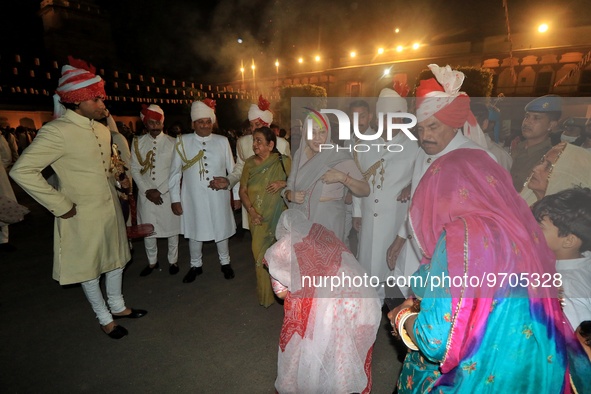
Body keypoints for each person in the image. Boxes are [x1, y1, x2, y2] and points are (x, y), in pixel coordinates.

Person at [387, 149, 590, 393]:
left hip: (471, 379)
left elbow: (435, 340)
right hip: (526, 376)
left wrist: (403, 316)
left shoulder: (459, 237)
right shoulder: (521, 232)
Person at [9, 57, 146, 339]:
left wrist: (119, 178)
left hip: (109, 208)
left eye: (100, 98)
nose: (101, 104)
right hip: (79, 212)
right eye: (95, 99)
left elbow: (105, 165)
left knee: (118, 259)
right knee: (90, 268)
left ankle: (118, 306)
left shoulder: (101, 128)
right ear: (77, 100)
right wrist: (60, 205)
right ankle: (104, 317)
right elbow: (22, 170)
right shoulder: (56, 131)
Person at [387, 64, 494, 298]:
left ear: (453, 122)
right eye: (421, 129)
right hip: (414, 254)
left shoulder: (477, 160)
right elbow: (416, 203)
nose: (425, 136)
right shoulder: (423, 151)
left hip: (450, 266)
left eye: (433, 127)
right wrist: (399, 238)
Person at [263, 209, 381, 394]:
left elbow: (281, 294)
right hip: (358, 294)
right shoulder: (322, 234)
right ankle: (345, 386)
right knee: (344, 348)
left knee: (308, 349)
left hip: (327, 304)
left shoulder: (279, 250)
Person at [351, 89, 418, 304]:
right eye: (386, 117)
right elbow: (357, 179)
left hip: (396, 219)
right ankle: (368, 311)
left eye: (397, 116)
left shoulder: (414, 146)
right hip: (369, 216)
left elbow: (422, 177)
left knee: (391, 269)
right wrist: (357, 212)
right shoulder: (364, 143)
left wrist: (410, 184)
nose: (392, 121)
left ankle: (393, 311)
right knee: (367, 267)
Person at [169, 99, 236, 283]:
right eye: (201, 122)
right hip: (193, 197)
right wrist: (175, 199)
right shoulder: (182, 142)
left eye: (208, 121)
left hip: (218, 196)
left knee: (221, 228)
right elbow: (174, 173)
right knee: (195, 230)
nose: (205, 125)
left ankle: (225, 262)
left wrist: (236, 195)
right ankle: (195, 265)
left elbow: (233, 170)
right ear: (193, 124)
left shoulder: (222, 141)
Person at [283, 111, 370, 243]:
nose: (317, 138)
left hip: (329, 224)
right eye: (312, 132)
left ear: (328, 133)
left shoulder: (339, 156)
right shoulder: (299, 154)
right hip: (302, 223)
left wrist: (343, 178)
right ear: (305, 133)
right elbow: (289, 187)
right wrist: (290, 195)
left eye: (322, 132)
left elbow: (365, 189)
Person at [209, 95, 290, 232]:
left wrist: (282, 184)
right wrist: (229, 180)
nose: (253, 129)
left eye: (257, 125)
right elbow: (240, 168)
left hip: (275, 198)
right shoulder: (243, 142)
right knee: (256, 243)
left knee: (278, 241)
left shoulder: (281, 144)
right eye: (251, 125)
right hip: (252, 200)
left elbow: (290, 174)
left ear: (267, 124)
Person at [238, 126, 290, 307]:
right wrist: (252, 211)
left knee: (282, 257)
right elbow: (242, 190)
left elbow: (298, 183)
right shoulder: (249, 163)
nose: (254, 144)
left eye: (259, 140)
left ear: (271, 144)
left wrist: (282, 183)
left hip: (280, 218)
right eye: (254, 140)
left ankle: (287, 295)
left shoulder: (283, 161)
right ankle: (266, 296)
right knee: (260, 256)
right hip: (258, 219)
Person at [131, 104, 181, 276]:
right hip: (146, 196)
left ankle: (173, 261)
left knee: (172, 230)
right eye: (150, 122)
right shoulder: (137, 142)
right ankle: (152, 262)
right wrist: (147, 191)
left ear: (162, 122)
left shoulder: (173, 142)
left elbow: (176, 170)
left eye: (157, 122)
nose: (154, 125)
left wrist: (160, 190)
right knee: (148, 231)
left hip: (167, 194)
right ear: (145, 123)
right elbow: (134, 169)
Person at [532, 187, 591, 330]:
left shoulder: (565, 288)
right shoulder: (585, 256)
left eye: (540, 227)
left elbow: (578, 341)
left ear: (569, 241)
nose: (532, 230)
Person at [510, 95, 561, 192]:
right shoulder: (516, 148)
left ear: (551, 125)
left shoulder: (549, 158)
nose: (527, 122)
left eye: (536, 118)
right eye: (527, 116)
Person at [520, 141, 591, 206]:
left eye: (549, 166)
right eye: (542, 162)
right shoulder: (528, 206)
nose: (535, 169)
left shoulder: (559, 219)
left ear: (567, 178)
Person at [470, 101, 513, 171]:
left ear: (484, 124)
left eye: (470, 123)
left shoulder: (499, 156)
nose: (465, 128)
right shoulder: (454, 149)